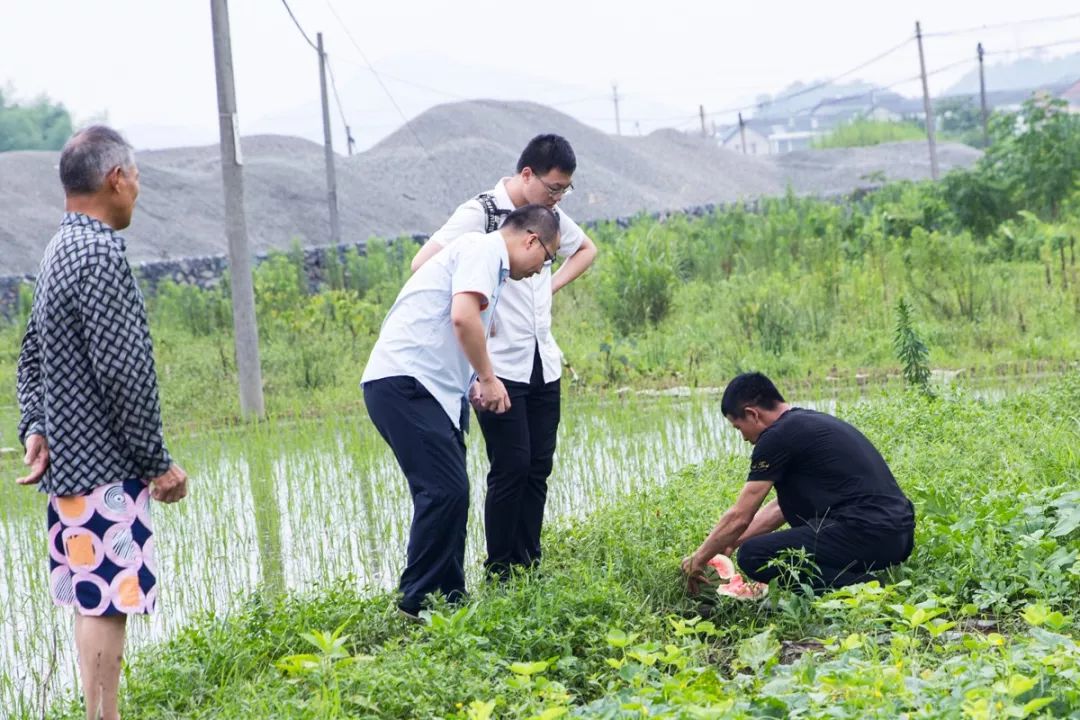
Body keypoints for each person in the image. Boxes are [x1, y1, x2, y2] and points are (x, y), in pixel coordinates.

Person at [15, 125, 188, 720]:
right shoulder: (100, 252)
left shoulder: (60, 247)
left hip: (70, 465)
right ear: (116, 178)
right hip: (107, 468)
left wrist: (35, 428)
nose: (137, 189)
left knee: (96, 599)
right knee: (107, 601)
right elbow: (124, 372)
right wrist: (156, 463)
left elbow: (30, 356)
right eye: (135, 176)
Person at [411, 134, 598, 577]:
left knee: (538, 466)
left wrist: (548, 286)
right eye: (553, 188)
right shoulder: (481, 213)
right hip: (496, 364)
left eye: (564, 191)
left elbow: (586, 249)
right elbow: (423, 265)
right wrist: (474, 300)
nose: (557, 199)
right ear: (527, 174)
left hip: (542, 359)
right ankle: (500, 569)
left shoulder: (549, 217)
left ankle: (528, 562)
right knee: (510, 466)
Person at [362, 204, 561, 619]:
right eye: (547, 258)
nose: (543, 270)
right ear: (530, 240)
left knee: (451, 491)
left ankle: (448, 598)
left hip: (428, 388)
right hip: (406, 382)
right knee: (444, 490)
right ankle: (417, 602)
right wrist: (489, 378)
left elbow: (459, 330)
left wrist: (471, 382)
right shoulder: (481, 248)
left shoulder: (493, 266)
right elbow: (463, 317)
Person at [682, 372, 915, 593]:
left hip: (867, 533)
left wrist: (698, 558)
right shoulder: (807, 423)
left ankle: (863, 587)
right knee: (752, 546)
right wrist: (732, 542)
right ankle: (854, 580)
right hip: (898, 537)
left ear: (752, 414)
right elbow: (780, 508)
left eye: (738, 427)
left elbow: (739, 516)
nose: (743, 437)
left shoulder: (776, 436)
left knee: (753, 555)